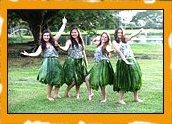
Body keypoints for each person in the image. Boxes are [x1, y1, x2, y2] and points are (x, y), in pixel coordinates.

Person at [21, 17, 67, 101]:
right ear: (42, 36)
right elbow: (36, 53)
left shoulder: (54, 41)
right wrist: (28, 54)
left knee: (59, 77)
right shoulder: (42, 45)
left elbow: (60, 32)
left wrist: (64, 23)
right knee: (50, 80)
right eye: (45, 35)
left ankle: (56, 94)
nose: (46, 37)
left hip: (56, 61)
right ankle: (49, 96)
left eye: (48, 35)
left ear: (50, 36)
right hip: (48, 62)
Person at [113, 27, 144, 105]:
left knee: (135, 78)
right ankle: (120, 99)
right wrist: (125, 60)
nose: (120, 34)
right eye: (118, 32)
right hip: (122, 62)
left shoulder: (125, 39)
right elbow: (119, 51)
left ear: (123, 33)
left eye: (121, 32)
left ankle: (136, 98)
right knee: (123, 80)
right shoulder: (114, 42)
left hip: (132, 60)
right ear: (116, 33)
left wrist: (140, 31)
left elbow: (132, 35)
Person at [57, 27, 88, 99]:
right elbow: (65, 48)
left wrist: (86, 61)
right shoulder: (69, 41)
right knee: (73, 80)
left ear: (78, 33)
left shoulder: (80, 41)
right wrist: (59, 46)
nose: (74, 34)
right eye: (72, 32)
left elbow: (83, 52)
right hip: (71, 62)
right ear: (70, 33)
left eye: (75, 32)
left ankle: (77, 94)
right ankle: (66, 91)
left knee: (79, 79)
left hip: (80, 62)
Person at [85, 32, 115, 103]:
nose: (104, 38)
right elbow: (93, 40)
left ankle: (104, 98)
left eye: (105, 37)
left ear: (108, 39)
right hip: (97, 64)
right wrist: (96, 39)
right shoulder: (99, 44)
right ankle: (90, 93)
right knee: (87, 78)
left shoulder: (107, 46)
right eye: (103, 37)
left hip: (103, 64)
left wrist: (111, 50)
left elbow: (109, 50)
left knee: (102, 82)